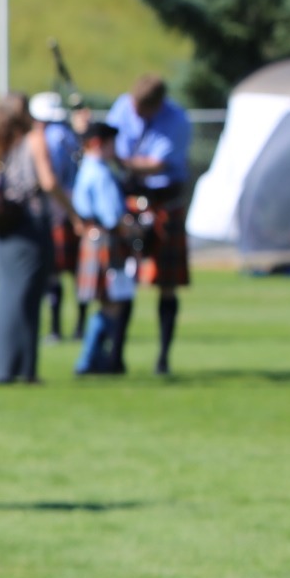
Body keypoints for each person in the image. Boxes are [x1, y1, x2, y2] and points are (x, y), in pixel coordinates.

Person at [0, 95, 73, 385]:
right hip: (30, 223)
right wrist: (73, 212)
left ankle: (17, 366)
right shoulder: (34, 139)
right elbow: (49, 182)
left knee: (10, 294)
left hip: (4, 225)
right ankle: (12, 367)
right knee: (25, 297)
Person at [106, 75, 194, 375]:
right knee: (123, 281)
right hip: (131, 199)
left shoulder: (177, 120)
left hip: (163, 202)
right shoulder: (122, 107)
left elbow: (158, 163)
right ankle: (116, 356)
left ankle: (163, 358)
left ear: (157, 106)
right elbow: (109, 143)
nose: (136, 112)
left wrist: (122, 161)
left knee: (166, 285)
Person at [70, 122, 130, 375]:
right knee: (112, 301)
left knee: (107, 300)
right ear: (98, 143)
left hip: (92, 236)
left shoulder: (87, 168)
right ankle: (89, 358)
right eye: (110, 144)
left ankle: (92, 357)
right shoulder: (101, 173)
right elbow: (111, 215)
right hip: (105, 238)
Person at [30, 92, 81, 340]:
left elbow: (51, 180)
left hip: (57, 208)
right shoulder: (70, 136)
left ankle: (55, 328)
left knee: (55, 271)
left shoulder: (50, 138)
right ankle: (79, 325)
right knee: (76, 271)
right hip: (73, 204)